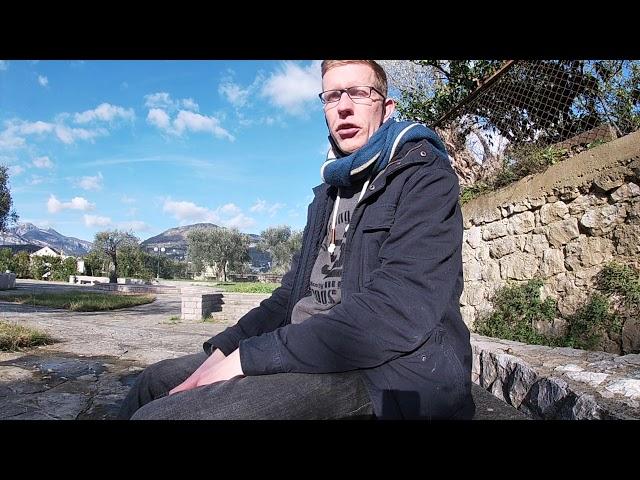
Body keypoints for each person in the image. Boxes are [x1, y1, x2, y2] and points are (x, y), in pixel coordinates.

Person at [118, 60, 475, 420]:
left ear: (386, 108)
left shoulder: (425, 177)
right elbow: (288, 297)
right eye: (333, 95)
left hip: (381, 369)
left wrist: (251, 357)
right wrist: (227, 348)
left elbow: (397, 310)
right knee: (153, 382)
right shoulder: (327, 195)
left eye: (359, 93)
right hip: (305, 348)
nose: (344, 106)